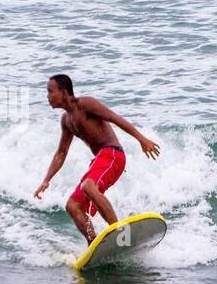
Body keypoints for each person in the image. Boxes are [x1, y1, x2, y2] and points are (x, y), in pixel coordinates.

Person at [33, 74, 160, 243]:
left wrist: (141, 139)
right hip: (100, 160)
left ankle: (119, 232)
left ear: (63, 92)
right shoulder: (66, 120)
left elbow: (114, 117)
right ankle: (93, 243)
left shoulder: (85, 104)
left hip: (113, 155)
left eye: (50, 91)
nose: (47, 96)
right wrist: (46, 180)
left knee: (87, 185)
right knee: (72, 205)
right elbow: (62, 152)